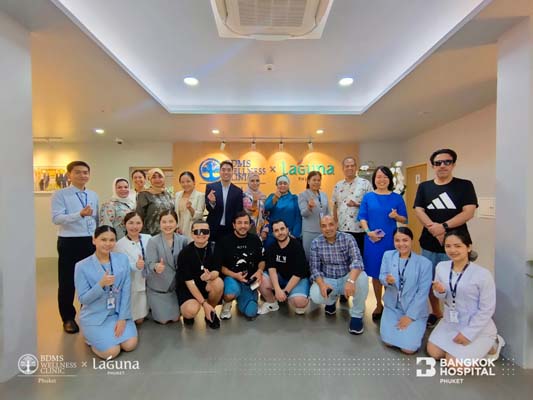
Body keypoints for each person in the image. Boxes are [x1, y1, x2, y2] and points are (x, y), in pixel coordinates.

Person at [414, 149, 478, 328]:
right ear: (433, 166)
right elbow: (419, 210)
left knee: (459, 281)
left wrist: (443, 227)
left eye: (447, 162)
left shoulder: (464, 185)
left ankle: (459, 315)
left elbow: (469, 212)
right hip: (429, 242)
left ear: (453, 164)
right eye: (438, 163)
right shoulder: (425, 187)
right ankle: (436, 312)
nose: (442, 165)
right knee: (430, 281)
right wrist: (434, 230)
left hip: (457, 243)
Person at [427, 230, 504, 362]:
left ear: (468, 247)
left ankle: (493, 344)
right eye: (448, 246)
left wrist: (468, 334)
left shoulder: (482, 274)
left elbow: (487, 309)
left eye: (458, 246)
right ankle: (462, 350)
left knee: (454, 364)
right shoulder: (441, 267)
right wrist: (440, 291)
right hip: (450, 322)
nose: (452, 250)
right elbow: (441, 296)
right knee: (434, 353)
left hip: (476, 325)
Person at [74, 225, 138, 359]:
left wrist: (122, 318)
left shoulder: (122, 259)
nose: (108, 244)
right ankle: (90, 339)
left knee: (130, 345)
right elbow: (83, 299)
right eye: (103, 239)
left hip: (117, 313)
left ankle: (109, 335)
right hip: (95, 317)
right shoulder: (81, 266)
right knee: (112, 352)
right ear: (94, 240)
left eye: (112, 240)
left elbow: (126, 291)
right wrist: (101, 284)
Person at [51, 160, 99, 333]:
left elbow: (96, 218)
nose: (82, 175)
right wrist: (79, 214)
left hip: (90, 241)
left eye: (85, 172)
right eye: (78, 172)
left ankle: (89, 312)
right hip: (69, 241)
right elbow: (56, 218)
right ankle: (68, 318)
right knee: (67, 281)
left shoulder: (93, 195)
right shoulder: (60, 195)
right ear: (69, 175)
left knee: (91, 278)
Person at [358, 166, 407, 321]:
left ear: (390, 179)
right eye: (378, 177)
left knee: (390, 273)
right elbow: (362, 217)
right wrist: (368, 232)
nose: (382, 180)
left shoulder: (396, 198)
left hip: (390, 242)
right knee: (375, 274)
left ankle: (390, 304)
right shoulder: (368, 197)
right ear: (374, 179)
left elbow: (404, 219)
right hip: (373, 241)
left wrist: (396, 216)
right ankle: (378, 304)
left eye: (385, 177)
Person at [309, 216, 369, 334]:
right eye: (324, 226)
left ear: (337, 225)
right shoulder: (316, 243)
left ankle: (356, 315)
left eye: (331, 224)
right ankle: (331, 300)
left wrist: (351, 281)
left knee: (362, 278)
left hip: (346, 277)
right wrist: (322, 285)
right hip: (329, 279)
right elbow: (314, 268)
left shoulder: (348, 238)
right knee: (315, 294)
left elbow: (357, 261)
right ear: (320, 228)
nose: (328, 228)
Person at [379, 227, 432, 354]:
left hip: (413, 308)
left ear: (411, 241)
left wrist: (410, 316)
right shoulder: (388, 255)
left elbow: (422, 293)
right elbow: (382, 276)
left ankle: (417, 327)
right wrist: (387, 280)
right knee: (388, 342)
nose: (401, 244)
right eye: (397, 240)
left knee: (408, 349)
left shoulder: (424, 263)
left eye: (405, 240)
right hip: (392, 306)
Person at [217, 211, 266, 320]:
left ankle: (243, 300)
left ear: (250, 225)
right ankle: (227, 304)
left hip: (249, 282)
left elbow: (262, 260)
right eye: (239, 223)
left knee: (251, 312)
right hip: (232, 278)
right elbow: (220, 266)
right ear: (234, 225)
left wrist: (259, 271)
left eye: (246, 223)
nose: (243, 226)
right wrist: (234, 275)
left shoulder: (255, 239)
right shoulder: (224, 241)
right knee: (231, 293)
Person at [176, 220, 224, 329]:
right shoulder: (185, 253)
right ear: (192, 234)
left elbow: (216, 271)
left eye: (204, 231)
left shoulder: (215, 248)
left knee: (218, 283)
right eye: (197, 231)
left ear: (209, 233)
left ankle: (210, 311)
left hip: (205, 285)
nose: (201, 234)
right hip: (189, 288)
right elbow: (189, 282)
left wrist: (210, 276)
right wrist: (203, 303)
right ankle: (198, 310)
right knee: (190, 311)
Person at [258, 220, 310, 315]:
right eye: (276, 230)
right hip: (281, 278)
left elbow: (298, 273)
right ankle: (272, 303)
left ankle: (297, 295)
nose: (280, 232)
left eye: (282, 229)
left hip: (297, 279)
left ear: (287, 230)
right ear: (273, 234)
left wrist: (285, 292)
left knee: (299, 303)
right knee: (260, 279)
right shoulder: (272, 247)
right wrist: (277, 289)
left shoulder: (297, 246)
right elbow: (272, 269)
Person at [145, 210, 188, 324]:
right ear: (159, 224)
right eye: (164, 222)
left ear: (176, 223)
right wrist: (156, 267)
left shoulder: (183, 240)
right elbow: (149, 263)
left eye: (171, 221)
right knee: (163, 321)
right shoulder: (153, 241)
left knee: (176, 319)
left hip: (175, 288)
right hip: (159, 288)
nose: (167, 225)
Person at [114, 211, 151, 324]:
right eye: (131, 223)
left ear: (142, 224)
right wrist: (135, 265)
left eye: (138, 223)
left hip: (149, 282)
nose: (134, 227)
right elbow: (119, 267)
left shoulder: (148, 238)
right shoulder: (119, 245)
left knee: (144, 315)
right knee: (137, 320)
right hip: (132, 285)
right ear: (124, 224)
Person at [332, 156, 372, 254]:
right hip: (342, 229)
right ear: (343, 168)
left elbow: (371, 206)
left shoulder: (365, 184)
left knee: (359, 256)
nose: (350, 168)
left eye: (352, 165)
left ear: (356, 167)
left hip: (359, 229)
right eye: (347, 166)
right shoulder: (338, 185)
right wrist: (335, 224)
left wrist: (357, 204)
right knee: (343, 257)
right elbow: (335, 206)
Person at [298, 171, 330, 260]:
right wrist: (309, 207)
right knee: (310, 257)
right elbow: (303, 213)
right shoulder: (303, 195)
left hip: (323, 231)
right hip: (309, 232)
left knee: (323, 256)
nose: (316, 182)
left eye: (318, 180)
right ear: (308, 181)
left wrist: (329, 226)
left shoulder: (324, 195)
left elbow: (328, 213)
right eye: (314, 180)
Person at [264, 175, 301, 249]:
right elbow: (266, 208)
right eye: (280, 183)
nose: (282, 185)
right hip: (273, 234)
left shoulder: (294, 198)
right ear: (277, 185)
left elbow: (298, 217)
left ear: (288, 185)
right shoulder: (272, 196)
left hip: (289, 234)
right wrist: (275, 198)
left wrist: (295, 234)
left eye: (285, 183)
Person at [136, 168, 174, 235]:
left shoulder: (167, 194)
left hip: (168, 232)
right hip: (150, 234)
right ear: (149, 179)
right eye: (154, 177)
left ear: (164, 178)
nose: (157, 179)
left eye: (160, 176)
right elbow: (139, 216)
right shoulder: (144, 195)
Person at [174, 171, 205, 238]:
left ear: (194, 182)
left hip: (192, 229)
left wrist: (190, 208)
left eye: (188, 181)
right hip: (179, 230)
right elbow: (176, 213)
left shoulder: (200, 195)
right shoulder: (177, 195)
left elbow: (199, 216)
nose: (185, 184)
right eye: (182, 182)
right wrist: (176, 227)